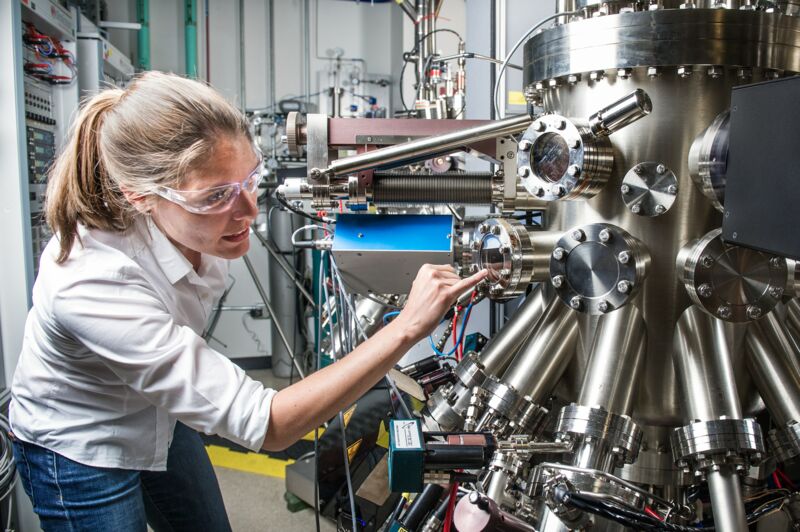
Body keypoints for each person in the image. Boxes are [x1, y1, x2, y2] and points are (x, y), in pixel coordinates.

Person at [9, 71, 487, 532]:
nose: (248, 211)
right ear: (140, 196)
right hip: (81, 443)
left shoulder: (199, 224)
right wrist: (405, 327)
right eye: (216, 195)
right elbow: (271, 423)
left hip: (160, 414)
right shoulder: (92, 280)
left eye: (248, 180)